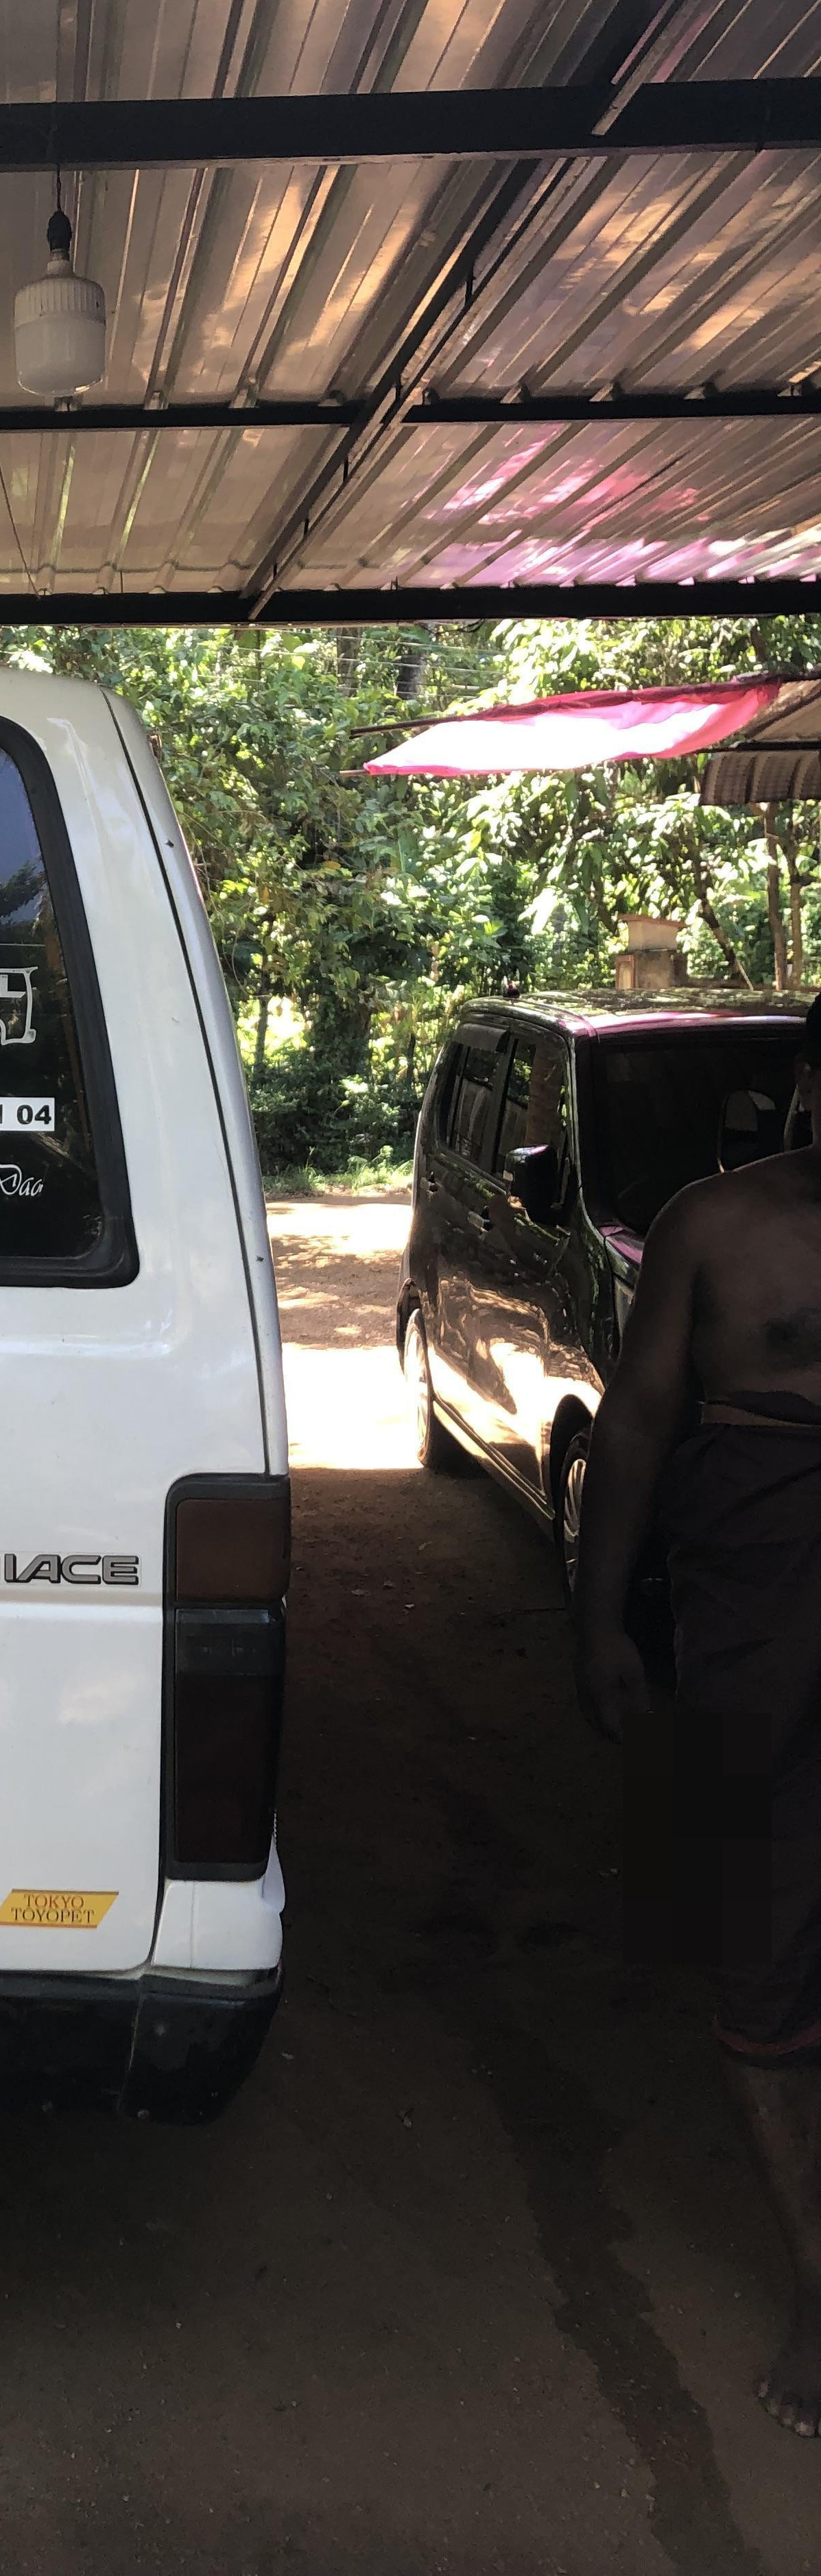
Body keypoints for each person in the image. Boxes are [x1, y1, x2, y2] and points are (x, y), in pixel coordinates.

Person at [575, 990, 821, 2436]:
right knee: (763, 1940)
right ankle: (813, 2276)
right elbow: (643, 1424)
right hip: (763, 1641)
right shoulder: (714, 1229)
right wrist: (601, 1619)